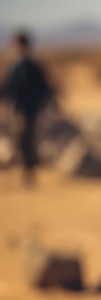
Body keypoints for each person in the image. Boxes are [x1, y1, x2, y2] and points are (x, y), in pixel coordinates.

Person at [0, 30, 52, 186]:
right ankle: (28, 173)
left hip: (24, 111)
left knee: (24, 141)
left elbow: (13, 87)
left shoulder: (24, 66)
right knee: (24, 141)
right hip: (26, 110)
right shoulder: (26, 65)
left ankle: (28, 174)